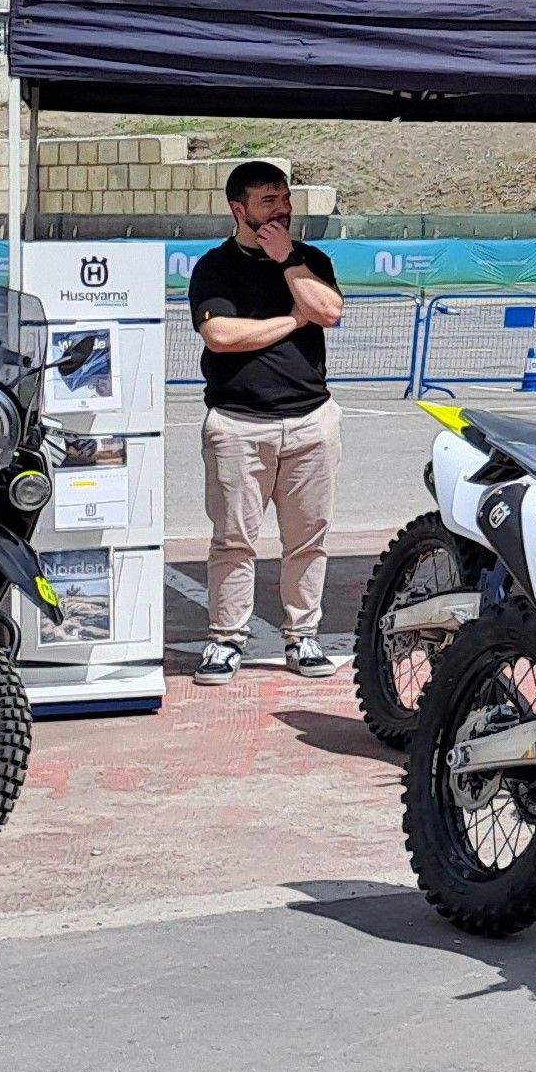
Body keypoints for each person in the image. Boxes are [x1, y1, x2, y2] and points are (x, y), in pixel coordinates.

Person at [187, 161, 343, 685]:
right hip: (238, 425)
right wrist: (292, 321)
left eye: (285, 199)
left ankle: (303, 636)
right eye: (269, 201)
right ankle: (226, 640)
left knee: (308, 538)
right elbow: (222, 336)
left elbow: (330, 311)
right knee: (233, 541)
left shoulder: (311, 259)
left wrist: (287, 263)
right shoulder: (214, 267)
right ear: (240, 210)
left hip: (311, 424)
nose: (282, 209)